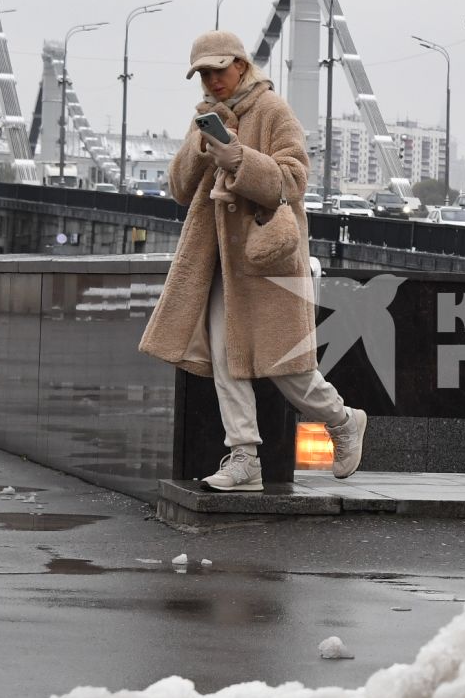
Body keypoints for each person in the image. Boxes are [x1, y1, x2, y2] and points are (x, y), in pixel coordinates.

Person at [138, 30, 367, 492]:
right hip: (218, 260)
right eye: (203, 73)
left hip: (269, 261)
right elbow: (180, 189)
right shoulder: (205, 116)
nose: (211, 79)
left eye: (218, 69)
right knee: (226, 361)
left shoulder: (273, 111)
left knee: (290, 368)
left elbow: (294, 180)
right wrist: (203, 146)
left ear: (241, 64)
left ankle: (343, 420)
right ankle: (244, 457)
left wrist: (240, 159)